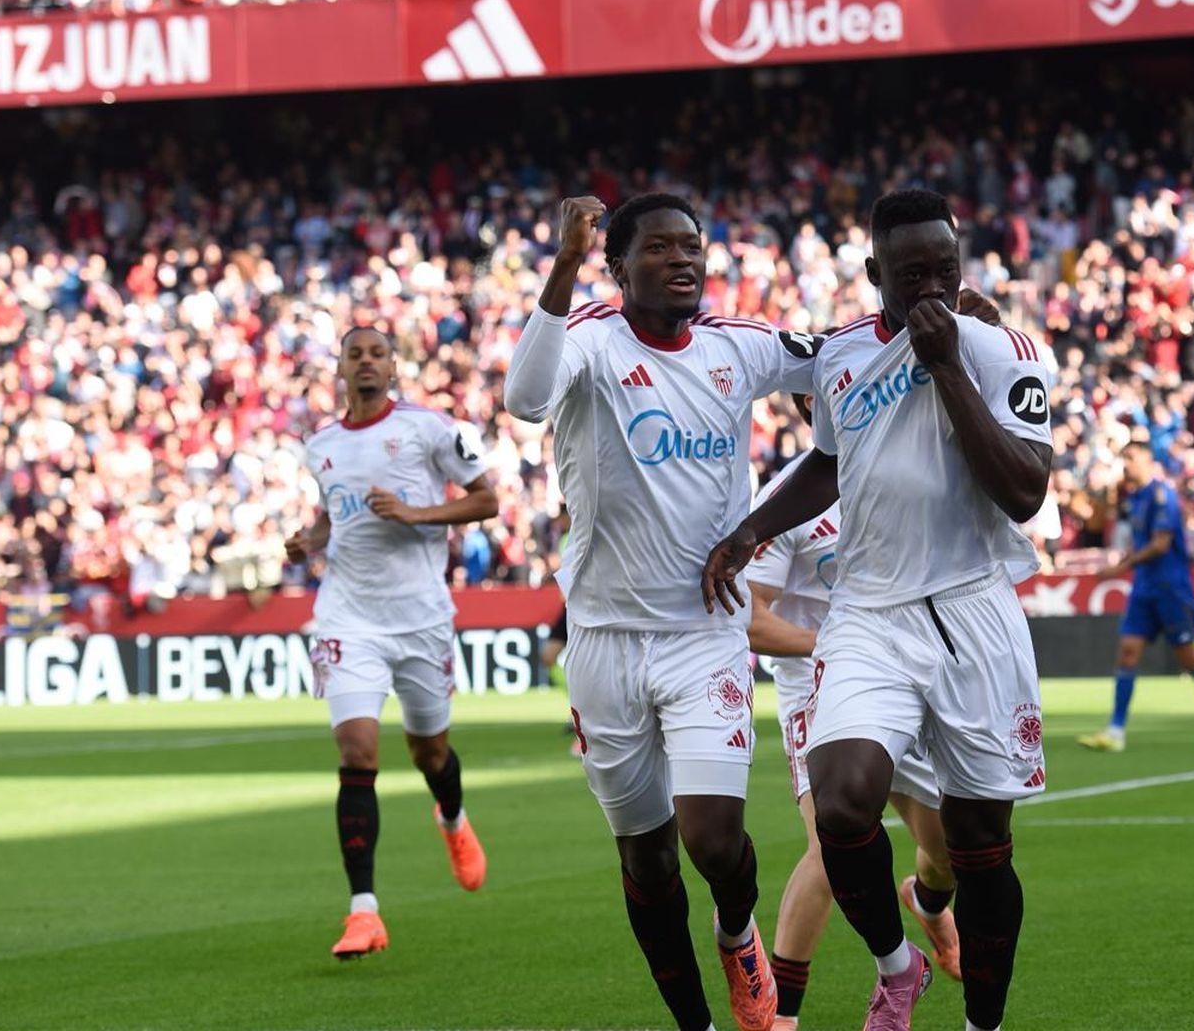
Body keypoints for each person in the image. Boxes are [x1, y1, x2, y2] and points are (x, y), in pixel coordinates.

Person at [702, 188, 1054, 1031]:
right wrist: (752, 530)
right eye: (911, 273)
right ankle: (899, 966)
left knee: (977, 850)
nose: (932, 286)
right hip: (869, 613)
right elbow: (829, 462)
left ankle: (982, 1023)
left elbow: (1024, 491)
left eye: (946, 268)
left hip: (974, 613)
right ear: (874, 275)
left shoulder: (1005, 352)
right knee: (842, 800)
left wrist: (945, 367)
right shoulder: (839, 358)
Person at [503, 193, 822, 1031]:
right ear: (617, 263)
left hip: (702, 635)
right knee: (645, 860)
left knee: (714, 842)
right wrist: (563, 267)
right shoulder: (590, 339)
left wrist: (946, 325)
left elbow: (841, 357)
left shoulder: (737, 348)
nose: (683, 260)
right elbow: (524, 399)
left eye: (693, 247)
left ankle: (737, 931)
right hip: (604, 645)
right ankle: (697, 1025)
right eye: (658, 248)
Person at [742, 400, 963, 1031]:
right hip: (818, 684)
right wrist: (837, 644)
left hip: (910, 675)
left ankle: (926, 897)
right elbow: (752, 617)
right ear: (814, 404)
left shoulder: (913, 472)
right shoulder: (789, 495)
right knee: (829, 848)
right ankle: (779, 1016)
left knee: (948, 850)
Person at [283, 325, 499, 960]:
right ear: (341, 367)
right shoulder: (319, 446)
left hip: (421, 618)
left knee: (431, 752)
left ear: (394, 365)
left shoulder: (432, 428)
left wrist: (417, 515)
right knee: (358, 751)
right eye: (356, 353)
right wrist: (311, 541)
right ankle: (364, 913)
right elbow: (334, 515)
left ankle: (453, 819)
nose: (367, 362)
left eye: (379, 352)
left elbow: (486, 499)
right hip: (348, 617)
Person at [1077, 442, 1194, 753]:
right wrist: (1125, 560)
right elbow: (1143, 544)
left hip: (1170, 588)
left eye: (1131, 458)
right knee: (1127, 652)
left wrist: (1121, 568)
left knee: (1188, 658)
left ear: (1148, 461)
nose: (1125, 465)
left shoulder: (1163, 495)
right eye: (1124, 459)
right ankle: (1116, 732)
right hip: (1144, 588)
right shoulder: (1134, 499)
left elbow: (1161, 544)